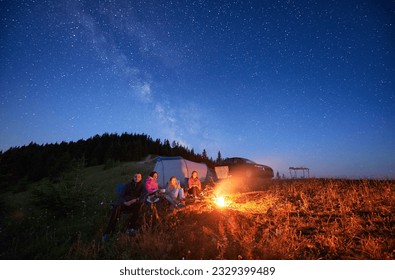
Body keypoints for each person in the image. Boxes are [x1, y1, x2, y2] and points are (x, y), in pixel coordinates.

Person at [102, 173, 144, 241]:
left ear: (141, 178)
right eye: (135, 176)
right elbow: (121, 196)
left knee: (138, 206)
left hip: (134, 204)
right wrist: (125, 202)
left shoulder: (142, 185)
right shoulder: (127, 185)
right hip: (125, 203)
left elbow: (144, 194)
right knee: (117, 207)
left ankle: (131, 228)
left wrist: (135, 199)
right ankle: (109, 232)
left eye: (139, 177)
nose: (137, 178)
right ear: (133, 177)